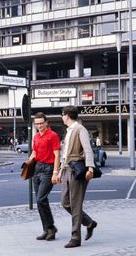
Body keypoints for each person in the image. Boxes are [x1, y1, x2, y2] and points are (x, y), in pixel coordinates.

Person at [53, 106, 98, 248]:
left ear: (66, 115)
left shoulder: (80, 129)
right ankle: (89, 222)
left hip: (76, 171)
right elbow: (65, 155)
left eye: (62, 115)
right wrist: (60, 171)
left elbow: (88, 150)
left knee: (76, 204)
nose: (62, 117)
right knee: (65, 202)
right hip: (66, 170)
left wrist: (90, 168)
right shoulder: (68, 131)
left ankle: (75, 237)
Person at [25, 112, 61, 241]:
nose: (39, 126)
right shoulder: (36, 137)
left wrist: (55, 173)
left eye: (41, 123)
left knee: (41, 199)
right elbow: (34, 152)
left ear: (46, 122)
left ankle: (50, 227)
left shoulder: (53, 135)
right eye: (37, 124)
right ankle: (47, 229)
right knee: (40, 201)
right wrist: (28, 164)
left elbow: (57, 155)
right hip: (37, 168)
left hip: (48, 169)